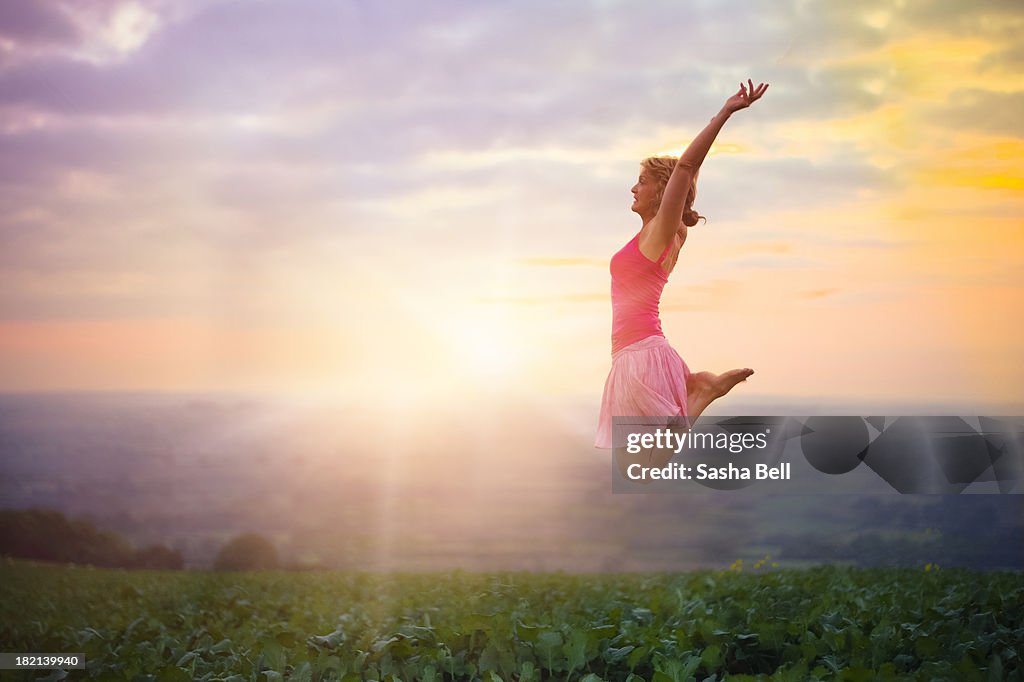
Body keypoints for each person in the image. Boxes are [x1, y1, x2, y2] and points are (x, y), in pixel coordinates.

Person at [595, 79, 769, 455]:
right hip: (636, 353)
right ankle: (699, 394)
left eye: (641, 181)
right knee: (640, 469)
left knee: (639, 467)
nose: (632, 188)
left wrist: (724, 112)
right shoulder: (657, 235)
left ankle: (701, 394)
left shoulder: (661, 233)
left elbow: (687, 167)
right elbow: (686, 173)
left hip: (640, 355)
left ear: (661, 191)